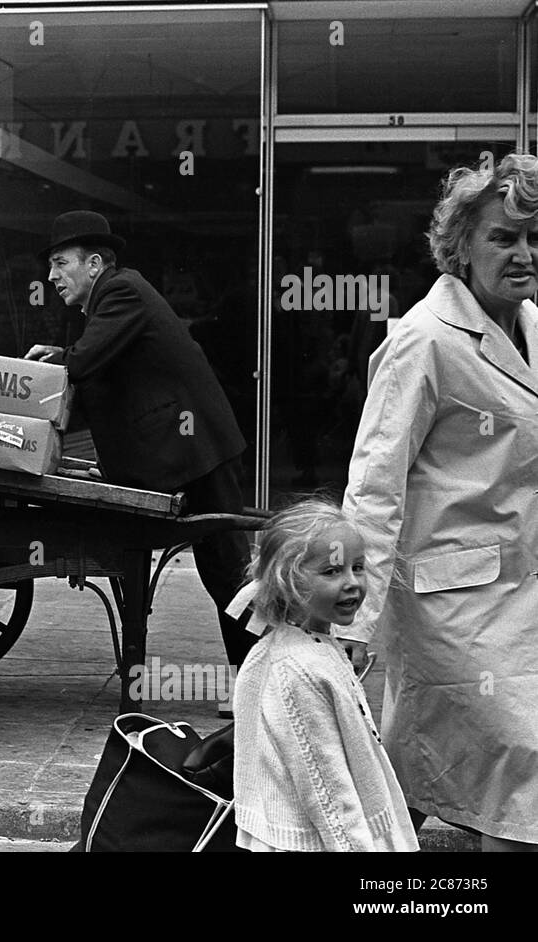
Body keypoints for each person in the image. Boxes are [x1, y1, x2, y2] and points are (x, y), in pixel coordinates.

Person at [342, 153, 538, 852]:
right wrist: (351, 619)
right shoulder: (424, 341)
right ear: (461, 246)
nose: (523, 253)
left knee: (475, 789)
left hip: (521, 605)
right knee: (520, 778)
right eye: (504, 237)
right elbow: (374, 485)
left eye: (535, 238)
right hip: (453, 609)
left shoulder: (534, 327)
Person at [24, 211, 256, 681]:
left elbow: (86, 362)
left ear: (93, 263)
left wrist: (55, 367)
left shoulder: (120, 290)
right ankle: (255, 676)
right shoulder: (106, 300)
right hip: (185, 451)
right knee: (225, 571)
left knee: (229, 573)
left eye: (59, 263)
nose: (51, 276)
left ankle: (260, 680)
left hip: (194, 452)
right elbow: (97, 379)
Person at [227, 499, 419, 852]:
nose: (352, 583)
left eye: (358, 567)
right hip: (320, 841)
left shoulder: (316, 646)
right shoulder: (296, 668)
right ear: (289, 581)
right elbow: (324, 783)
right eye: (332, 572)